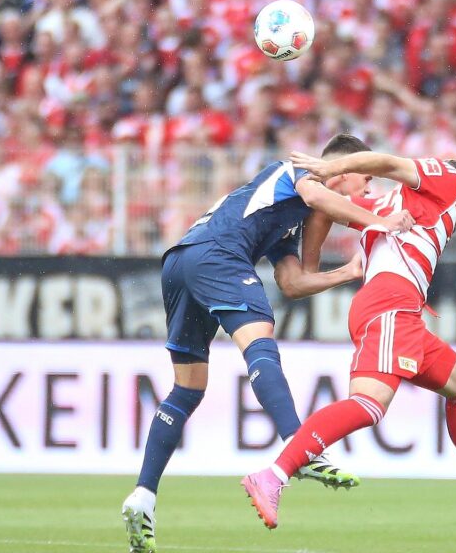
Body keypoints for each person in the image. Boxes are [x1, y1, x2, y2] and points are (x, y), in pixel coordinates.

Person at [121, 134, 415, 553]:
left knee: (187, 389)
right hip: (217, 255)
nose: (368, 190)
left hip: (181, 262)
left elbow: (292, 282)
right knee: (260, 341)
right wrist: (379, 222)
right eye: (366, 179)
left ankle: (143, 496)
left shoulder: (288, 214)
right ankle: (299, 447)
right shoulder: (299, 171)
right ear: (343, 170)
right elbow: (321, 196)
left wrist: (347, 273)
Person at [241, 150, 456, 542]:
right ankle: (274, 475)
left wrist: (311, 263)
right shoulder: (450, 180)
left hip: (400, 310)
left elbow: (327, 210)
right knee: (368, 405)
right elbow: (390, 163)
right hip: (390, 305)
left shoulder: (379, 203)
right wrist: (336, 166)